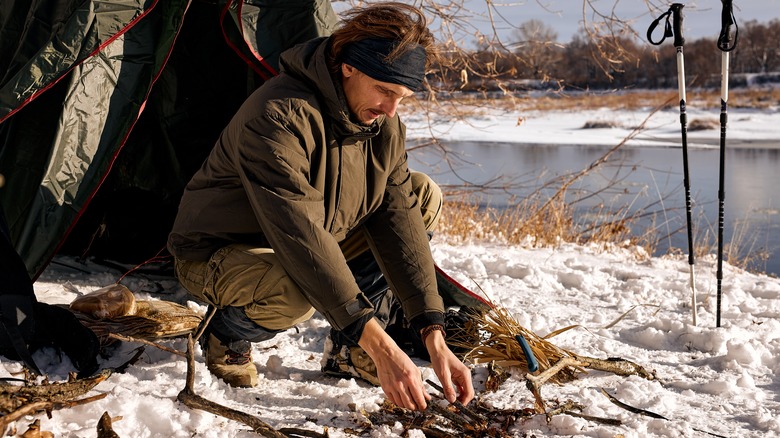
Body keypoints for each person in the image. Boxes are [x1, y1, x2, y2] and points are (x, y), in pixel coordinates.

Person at [167, 2, 473, 411]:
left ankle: (350, 348)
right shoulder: (278, 115)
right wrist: (383, 348)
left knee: (421, 195)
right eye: (384, 91)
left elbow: (398, 221)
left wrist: (432, 333)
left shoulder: (384, 126)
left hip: (313, 236)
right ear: (348, 66)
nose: (391, 110)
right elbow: (299, 235)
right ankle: (226, 333)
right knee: (294, 292)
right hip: (221, 252)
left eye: (401, 98)